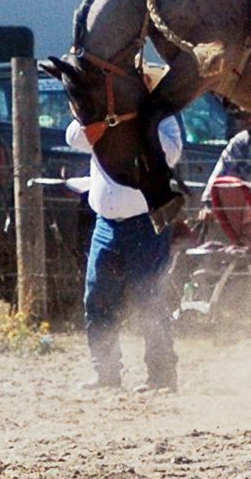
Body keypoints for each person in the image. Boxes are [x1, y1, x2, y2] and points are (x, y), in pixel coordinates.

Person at [66, 113, 184, 392]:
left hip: (147, 221)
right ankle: (105, 372)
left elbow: (172, 153)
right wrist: (105, 122)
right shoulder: (97, 112)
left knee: (149, 299)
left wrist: (135, 123)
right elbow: (74, 137)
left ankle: (161, 375)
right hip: (106, 222)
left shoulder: (159, 112)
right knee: (97, 298)